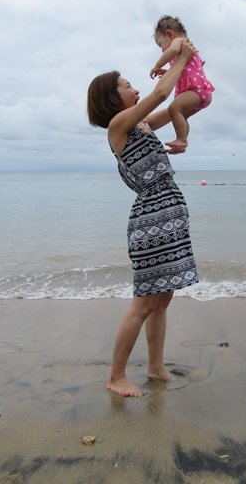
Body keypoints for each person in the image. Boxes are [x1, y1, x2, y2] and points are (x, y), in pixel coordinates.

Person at [87, 39, 199, 397]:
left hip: (169, 210)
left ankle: (155, 366)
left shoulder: (142, 126)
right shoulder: (118, 127)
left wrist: (191, 72)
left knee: (163, 298)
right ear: (111, 98)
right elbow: (161, 93)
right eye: (127, 86)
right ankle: (115, 376)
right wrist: (180, 58)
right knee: (145, 301)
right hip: (152, 217)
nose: (135, 89)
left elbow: (176, 103)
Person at [150, 15, 215, 153]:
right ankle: (182, 143)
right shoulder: (187, 47)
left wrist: (157, 65)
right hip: (201, 92)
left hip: (196, 90)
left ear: (169, 34)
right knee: (181, 116)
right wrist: (167, 71)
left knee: (173, 109)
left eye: (160, 44)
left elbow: (172, 50)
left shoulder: (179, 41)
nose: (161, 50)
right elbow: (185, 69)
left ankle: (182, 139)